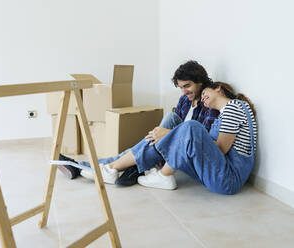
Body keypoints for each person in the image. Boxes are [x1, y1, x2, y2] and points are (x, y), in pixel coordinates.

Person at [58, 60, 219, 186]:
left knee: (141, 148)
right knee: (167, 121)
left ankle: (94, 167)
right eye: (181, 87)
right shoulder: (185, 99)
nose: (184, 91)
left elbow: (200, 138)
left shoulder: (209, 99)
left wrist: (166, 136)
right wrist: (162, 137)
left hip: (188, 150)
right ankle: (124, 166)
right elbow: (174, 126)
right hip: (173, 145)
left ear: (200, 81)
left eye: (187, 86)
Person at [80, 81, 257, 194]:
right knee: (169, 132)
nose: (203, 98)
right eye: (202, 97)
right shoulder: (223, 114)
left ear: (218, 88)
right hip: (215, 172)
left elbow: (220, 150)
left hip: (228, 179)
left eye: (205, 94)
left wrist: (174, 138)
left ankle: (163, 175)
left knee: (190, 128)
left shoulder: (234, 106)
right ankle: (110, 168)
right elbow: (210, 151)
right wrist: (173, 140)